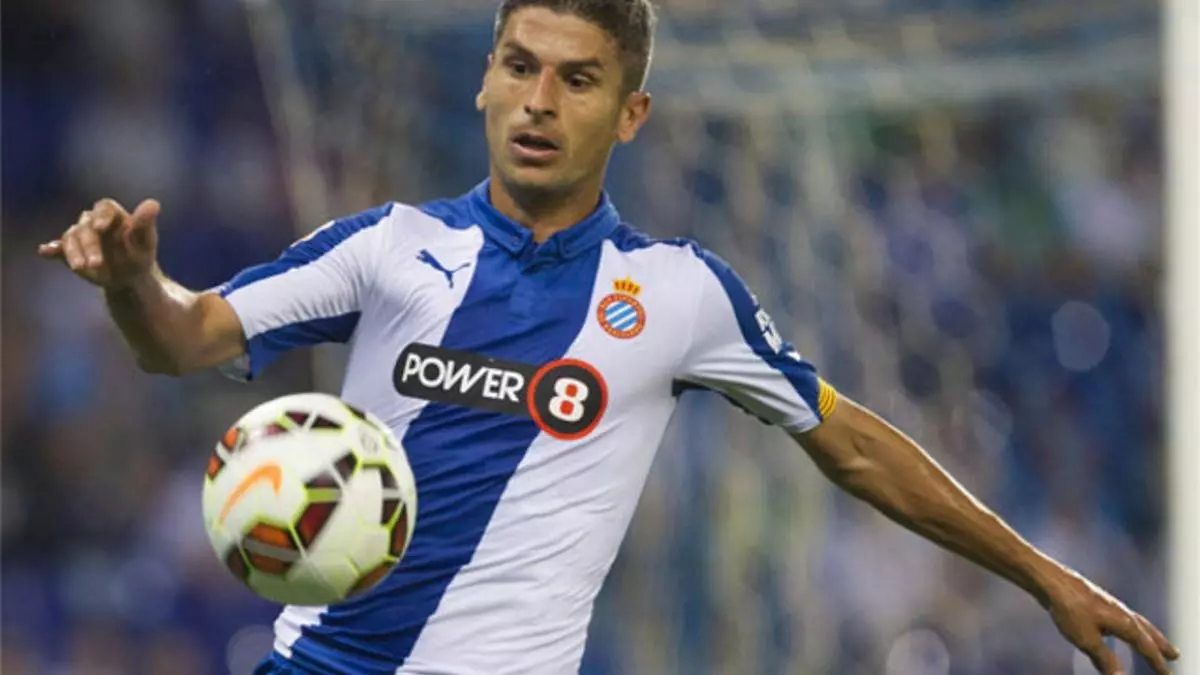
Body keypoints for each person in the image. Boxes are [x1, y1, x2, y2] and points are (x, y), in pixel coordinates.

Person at [38, 1, 1179, 674]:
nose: (540, 101)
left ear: (630, 114)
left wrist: (1043, 578)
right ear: (484, 82)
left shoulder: (680, 294)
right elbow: (184, 338)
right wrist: (134, 285)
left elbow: (854, 444)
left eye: (577, 80)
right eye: (520, 67)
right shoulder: (387, 247)